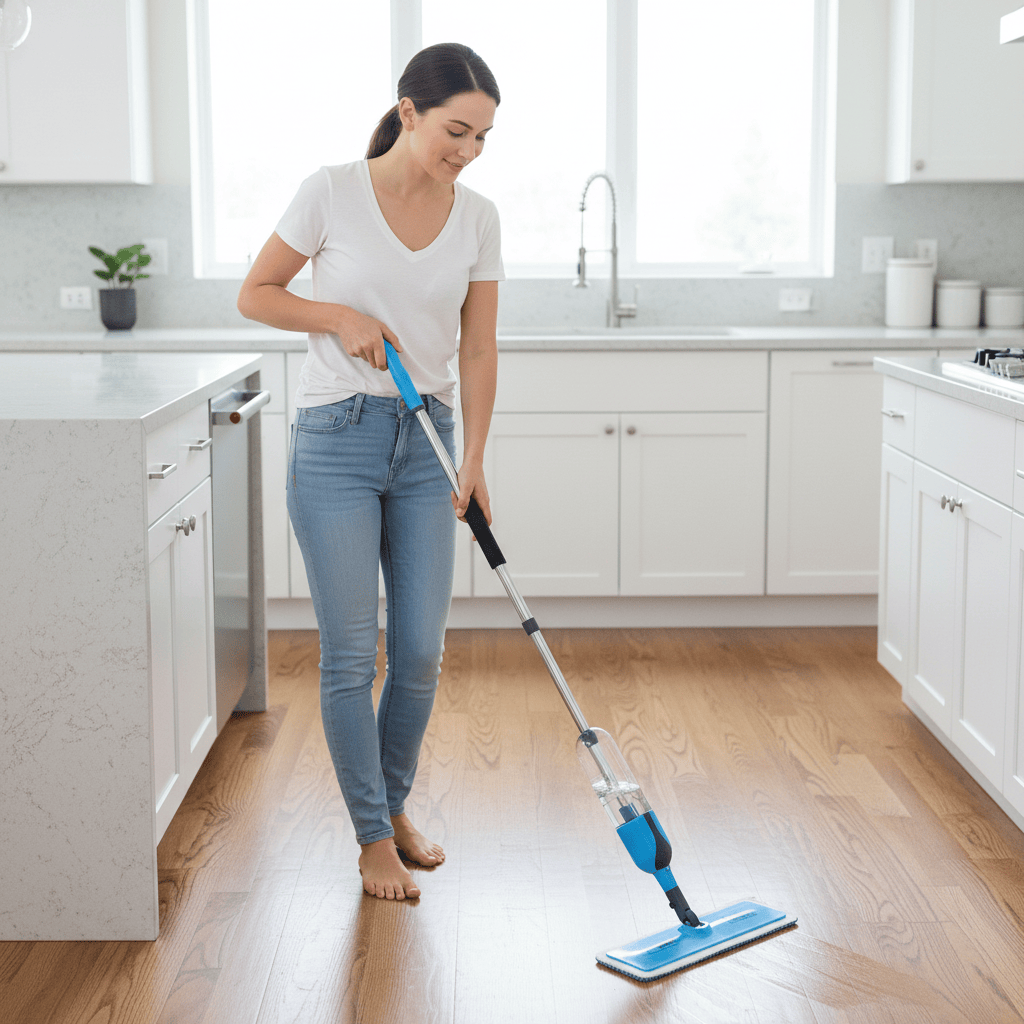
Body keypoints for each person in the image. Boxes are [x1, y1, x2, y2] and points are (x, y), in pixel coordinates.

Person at [237, 42, 502, 901]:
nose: (466, 151)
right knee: (353, 654)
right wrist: (337, 315)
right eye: (456, 130)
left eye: (483, 138)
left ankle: (391, 810)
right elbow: (259, 292)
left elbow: (478, 342)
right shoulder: (331, 190)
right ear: (409, 110)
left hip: (430, 443)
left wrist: (475, 456)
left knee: (419, 653)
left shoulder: (478, 216)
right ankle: (370, 839)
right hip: (338, 439)